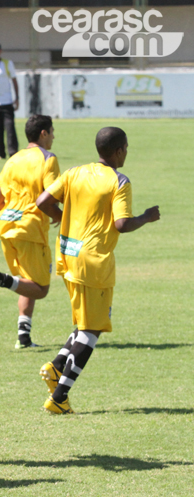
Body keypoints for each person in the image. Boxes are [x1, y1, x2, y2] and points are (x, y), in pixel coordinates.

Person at [36, 127, 160, 414]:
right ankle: (59, 396)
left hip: (67, 255)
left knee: (85, 321)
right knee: (92, 328)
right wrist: (146, 217)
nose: (127, 153)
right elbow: (122, 224)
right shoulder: (119, 181)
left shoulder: (74, 172)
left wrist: (62, 217)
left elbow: (43, 202)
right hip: (93, 262)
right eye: (126, 148)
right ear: (118, 151)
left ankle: (55, 368)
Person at [0, 115, 59, 348]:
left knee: (25, 282)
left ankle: (24, 338)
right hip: (29, 228)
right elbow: (48, 197)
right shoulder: (48, 159)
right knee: (40, 289)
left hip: (6, 226)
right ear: (43, 133)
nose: (53, 136)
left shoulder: (12, 160)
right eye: (51, 131)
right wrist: (59, 216)